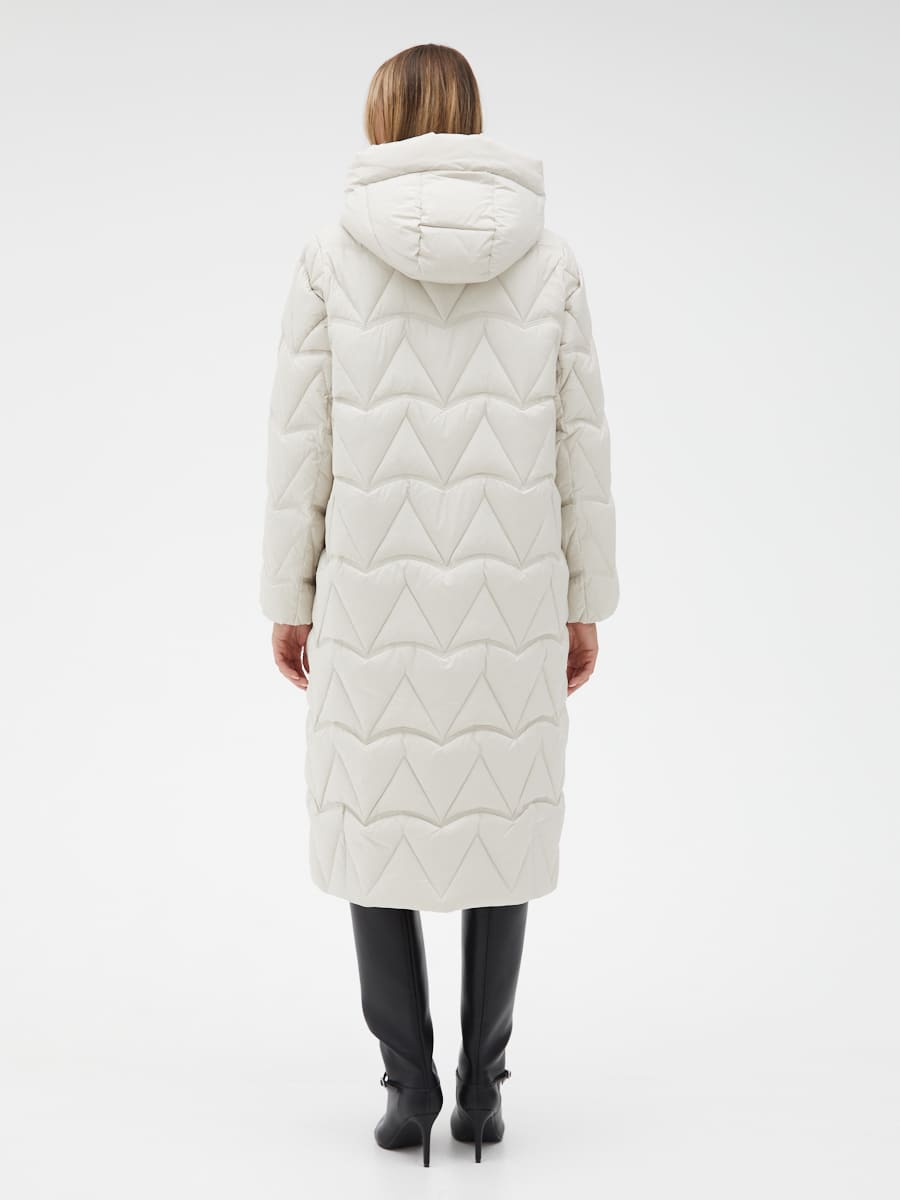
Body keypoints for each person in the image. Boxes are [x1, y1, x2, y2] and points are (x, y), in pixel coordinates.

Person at [259, 42, 619, 1167]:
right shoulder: (549, 260)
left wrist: (289, 595)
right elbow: (581, 446)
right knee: (500, 822)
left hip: (375, 596)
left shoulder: (330, 257)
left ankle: (408, 1087)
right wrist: (585, 599)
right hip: (514, 592)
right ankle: (484, 1090)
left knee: (376, 821)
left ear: (382, 118)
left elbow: (301, 444)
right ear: (469, 117)